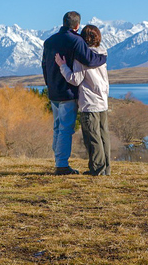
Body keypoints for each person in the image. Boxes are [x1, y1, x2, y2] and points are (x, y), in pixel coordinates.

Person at [41, 11, 107, 175]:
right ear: (77, 26)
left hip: (53, 92)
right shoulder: (76, 41)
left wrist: (49, 84)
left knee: (57, 128)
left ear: (63, 23)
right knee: (65, 129)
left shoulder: (49, 42)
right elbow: (90, 60)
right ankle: (62, 165)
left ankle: (58, 161)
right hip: (68, 92)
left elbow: (44, 66)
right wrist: (104, 57)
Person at [55, 25, 110, 176]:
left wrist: (63, 66)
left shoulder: (82, 57)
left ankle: (97, 170)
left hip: (89, 103)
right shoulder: (102, 54)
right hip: (103, 102)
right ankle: (106, 169)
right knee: (103, 136)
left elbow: (75, 79)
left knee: (92, 138)